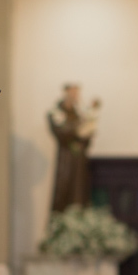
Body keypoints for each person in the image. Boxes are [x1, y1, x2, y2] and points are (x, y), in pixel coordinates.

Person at [47, 82, 100, 212]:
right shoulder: (56, 113)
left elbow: (86, 137)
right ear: (66, 93)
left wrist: (88, 129)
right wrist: (77, 129)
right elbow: (61, 133)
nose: (75, 96)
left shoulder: (80, 114)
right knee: (64, 191)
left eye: (77, 93)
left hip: (79, 160)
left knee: (79, 193)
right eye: (72, 92)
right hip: (66, 159)